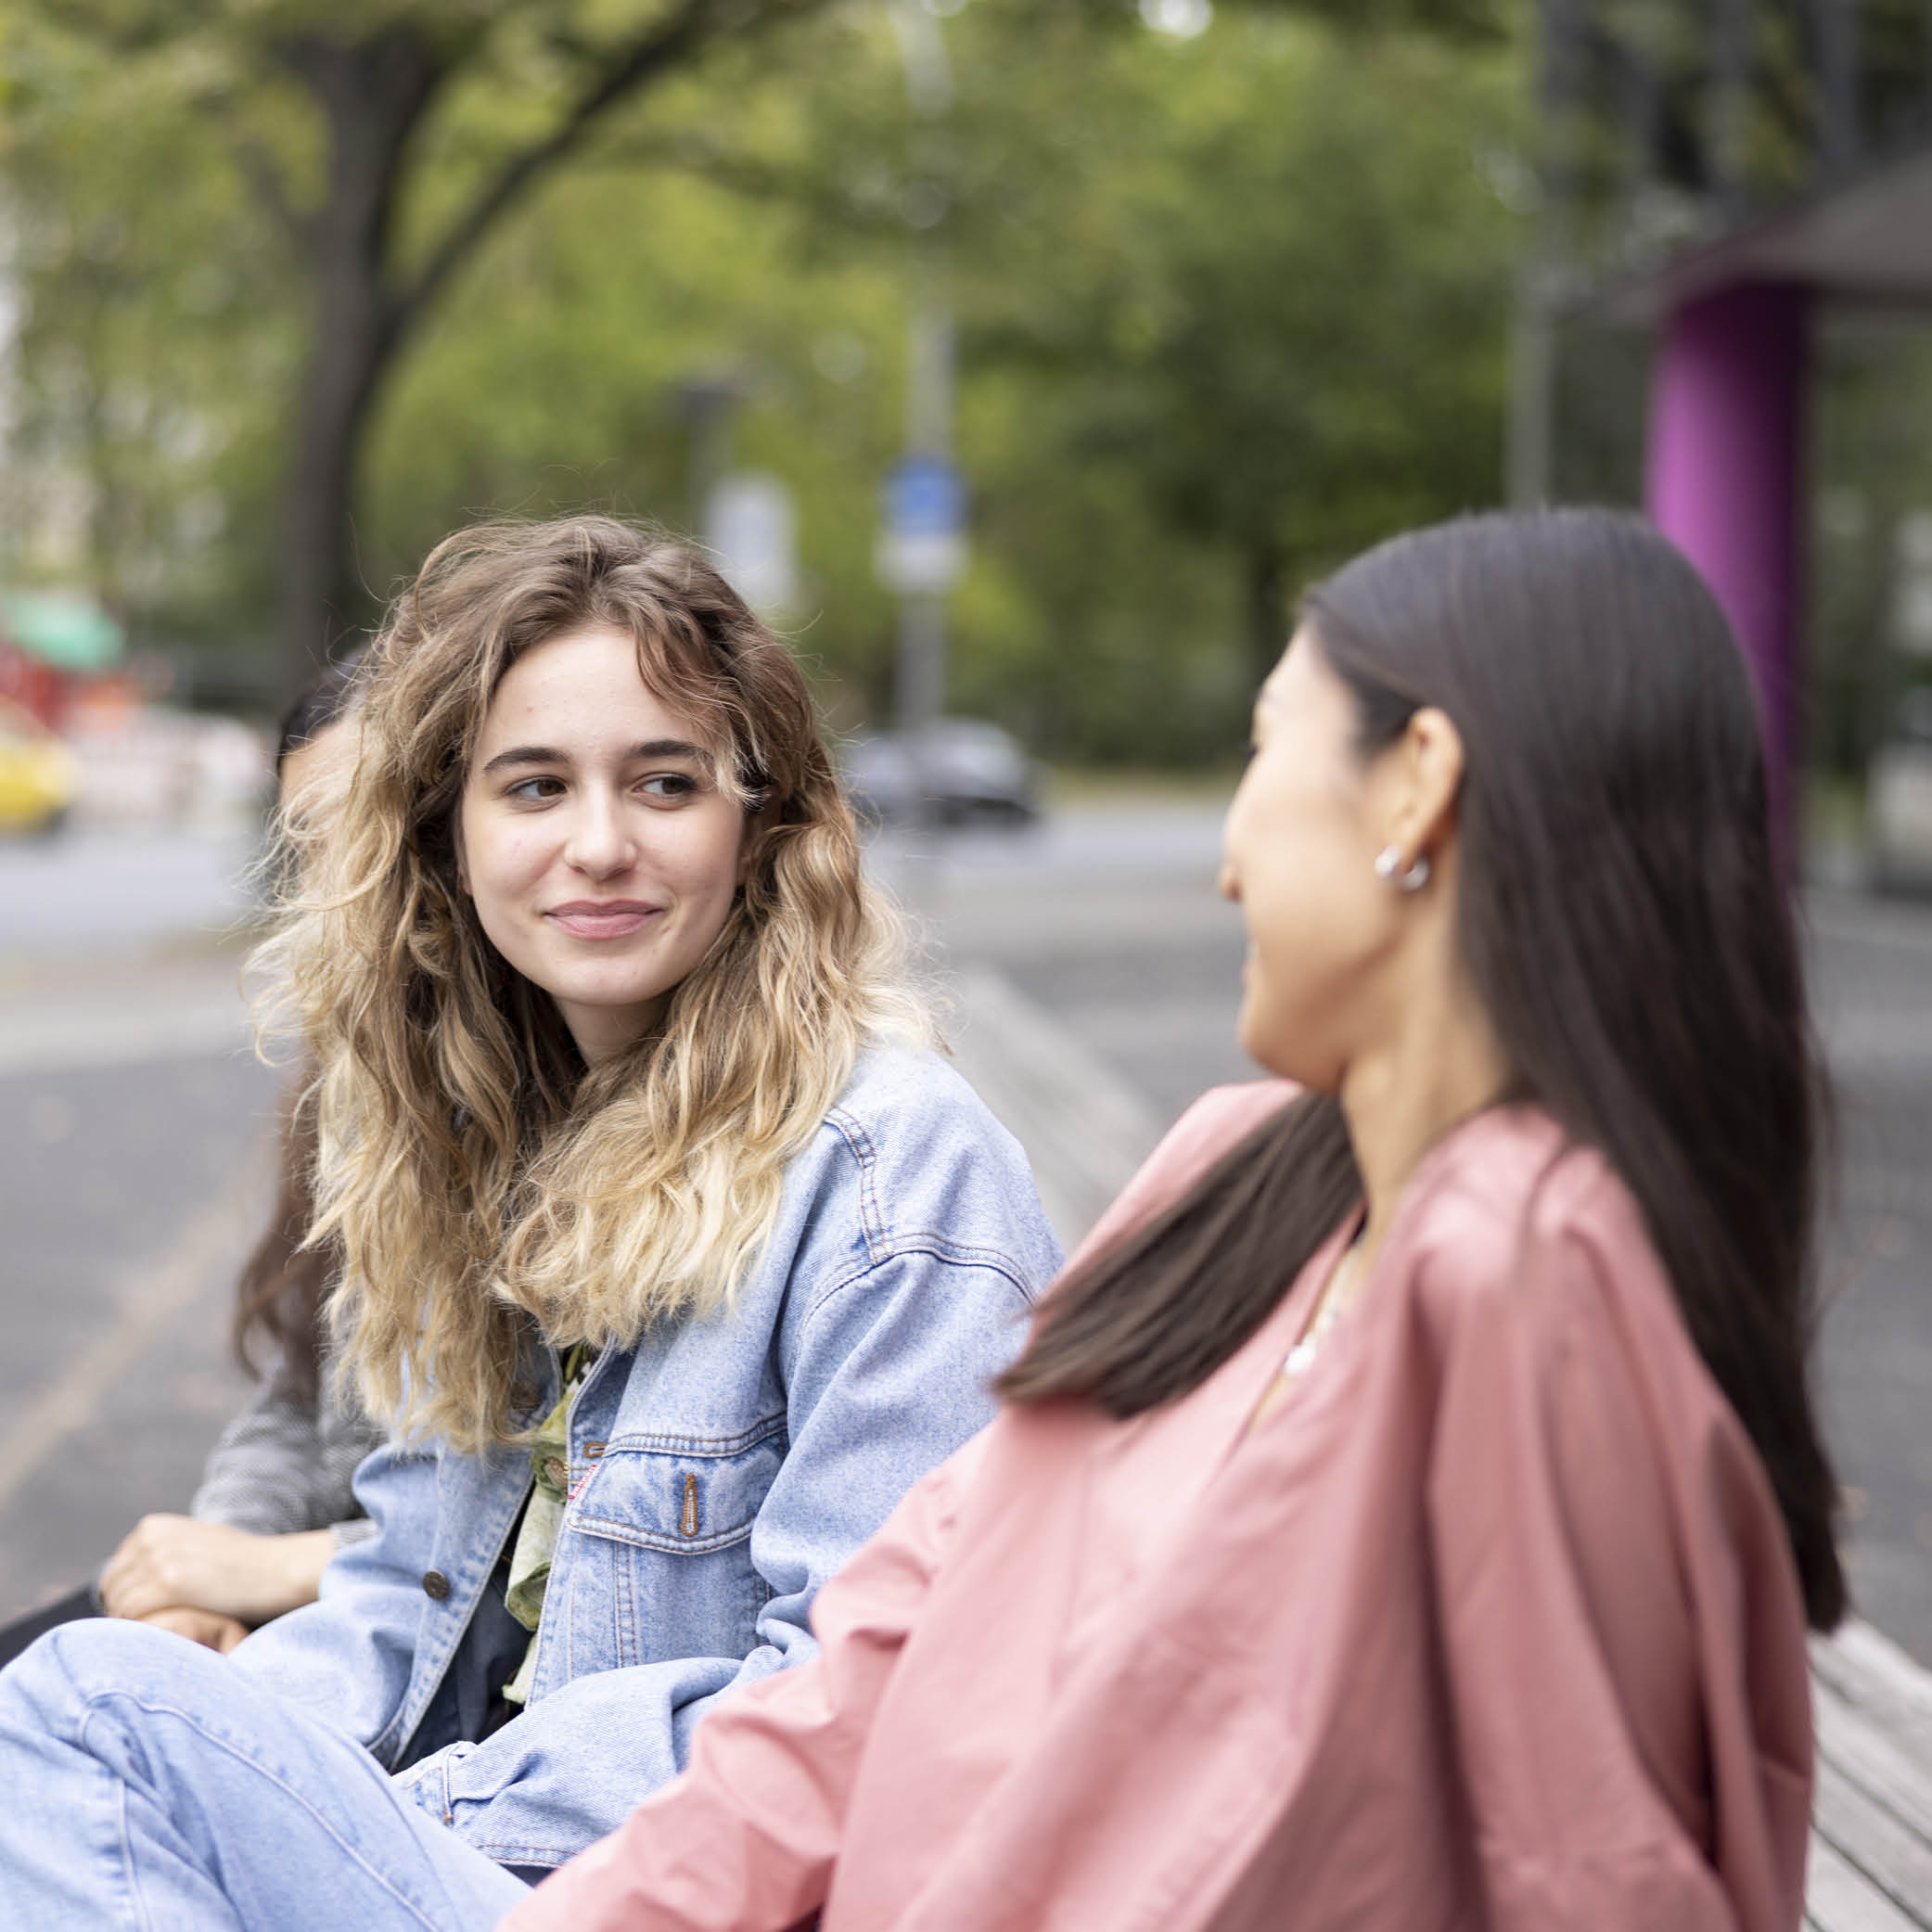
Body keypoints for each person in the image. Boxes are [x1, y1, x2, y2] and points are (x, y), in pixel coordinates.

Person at [489, 506, 1844, 1932]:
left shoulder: (1525, 1278)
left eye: (1264, 750)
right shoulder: (1233, 1173)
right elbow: (876, 1650)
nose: (1227, 860)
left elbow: (1583, 1875)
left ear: (1415, 788)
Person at [0, 515, 1060, 1925]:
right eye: (536, 786)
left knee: (85, 1704)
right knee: (83, 1729)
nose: (599, 845)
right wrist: (243, 1732)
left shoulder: (891, 1173)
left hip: (641, 1890)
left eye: (665, 782)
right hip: (467, 1847)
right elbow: (404, 1591)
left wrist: (367, 1800)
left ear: (761, 822)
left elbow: (864, 1715)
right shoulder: (486, 1141)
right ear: (448, 833)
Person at [0, 658, 381, 1669]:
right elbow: (299, 1396)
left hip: (392, 1646)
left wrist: (280, 1569)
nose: (344, 884)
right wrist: (207, 1568)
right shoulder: (351, 1081)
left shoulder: (547, 1111)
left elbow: (514, 1534)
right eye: (312, 843)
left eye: (384, 828)